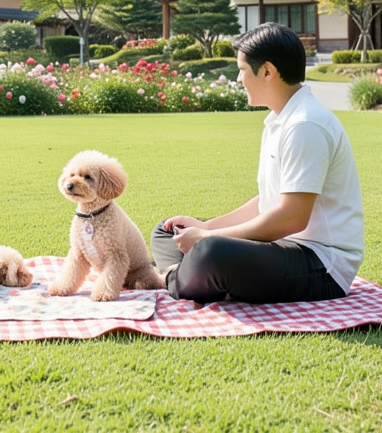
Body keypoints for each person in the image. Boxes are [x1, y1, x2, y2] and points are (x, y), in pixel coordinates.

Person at [151, 23, 363, 303]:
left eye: (241, 69)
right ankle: (186, 274)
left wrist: (206, 238)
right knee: (167, 230)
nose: (238, 78)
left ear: (267, 71)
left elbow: (292, 217)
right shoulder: (280, 120)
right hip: (282, 249)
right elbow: (267, 201)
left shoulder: (305, 125)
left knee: (212, 252)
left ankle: (172, 276)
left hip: (321, 266)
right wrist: (207, 226)